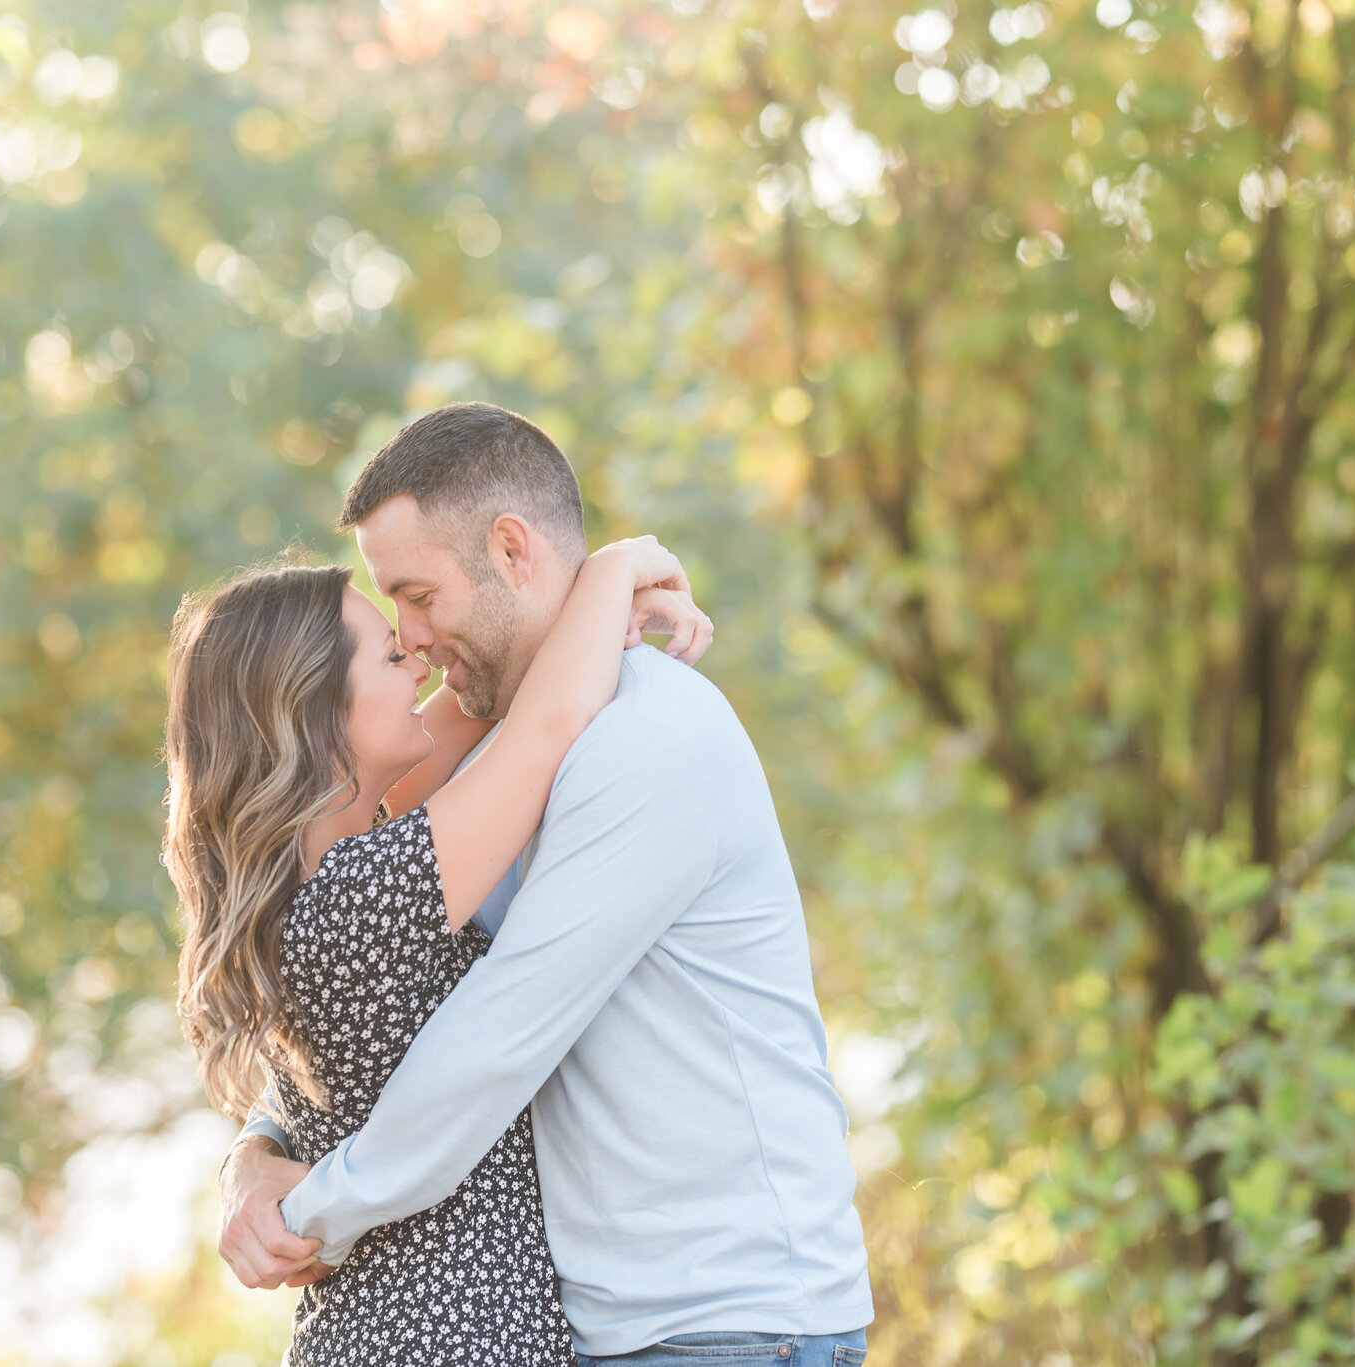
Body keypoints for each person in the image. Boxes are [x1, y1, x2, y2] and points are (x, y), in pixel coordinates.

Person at [217, 402, 873, 1367]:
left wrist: (310, 1209)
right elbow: (355, 1006)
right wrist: (256, 1150)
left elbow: (494, 1033)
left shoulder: (645, 736)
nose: (411, 640)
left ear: (511, 550)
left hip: (726, 1319)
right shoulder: (492, 766)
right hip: (603, 1328)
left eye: (418, 594)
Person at [165, 522, 712, 1365]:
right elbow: (544, 724)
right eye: (391, 658)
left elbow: (487, 688)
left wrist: (571, 609)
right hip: (439, 1338)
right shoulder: (360, 896)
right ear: (318, 717)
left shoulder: (320, 880)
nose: (420, 665)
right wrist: (618, 563)